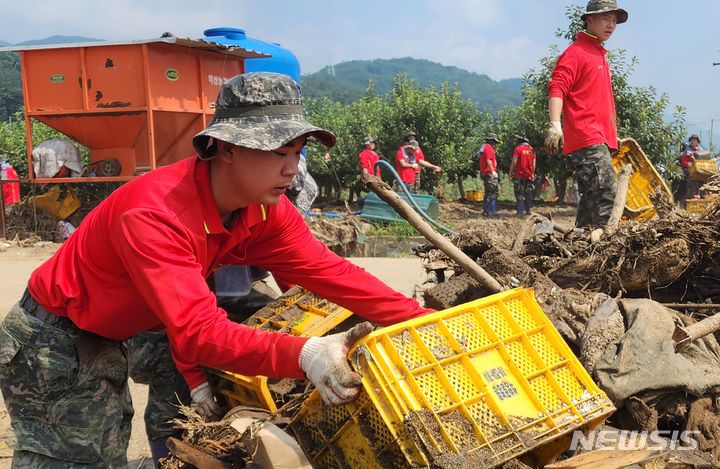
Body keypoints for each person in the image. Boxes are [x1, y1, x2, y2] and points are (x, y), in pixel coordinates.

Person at [0, 72, 433, 467]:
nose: (291, 168)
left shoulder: (264, 211)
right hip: (54, 341)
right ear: (225, 147)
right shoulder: (156, 213)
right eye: (279, 151)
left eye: (298, 153)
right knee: (71, 460)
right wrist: (305, 355)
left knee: (103, 454)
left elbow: (332, 273)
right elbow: (198, 331)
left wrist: (426, 324)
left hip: (114, 335)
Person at [544, 0, 628, 228]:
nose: (611, 25)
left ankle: (580, 252)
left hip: (597, 138)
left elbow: (595, 101)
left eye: (614, 20)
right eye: (605, 18)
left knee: (591, 208)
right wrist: (554, 124)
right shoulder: (576, 53)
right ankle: (606, 258)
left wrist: (610, 135)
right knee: (606, 200)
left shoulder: (598, 54)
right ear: (589, 20)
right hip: (586, 138)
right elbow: (557, 86)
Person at [509, 135, 537, 216]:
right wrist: (532, 173)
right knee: (528, 193)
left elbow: (514, 161)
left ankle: (520, 212)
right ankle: (528, 211)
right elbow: (534, 163)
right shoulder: (531, 149)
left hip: (519, 175)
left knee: (519, 193)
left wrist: (510, 172)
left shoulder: (518, 149)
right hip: (529, 175)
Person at [676, 134, 704, 207]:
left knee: (702, 187)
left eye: (695, 140)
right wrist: (689, 163)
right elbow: (684, 161)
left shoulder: (701, 150)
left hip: (700, 171)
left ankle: (699, 203)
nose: (693, 141)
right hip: (689, 171)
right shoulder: (686, 150)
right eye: (692, 140)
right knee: (690, 187)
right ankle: (686, 205)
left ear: (697, 142)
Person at [476, 133, 499, 217]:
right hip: (488, 173)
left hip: (485, 173)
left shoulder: (485, 147)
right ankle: (491, 212)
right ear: (491, 141)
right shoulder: (488, 148)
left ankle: (486, 211)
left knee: (488, 192)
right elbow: (488, 160)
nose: (495, 144)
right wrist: (492, 171)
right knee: (493, 192)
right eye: (494, 142)